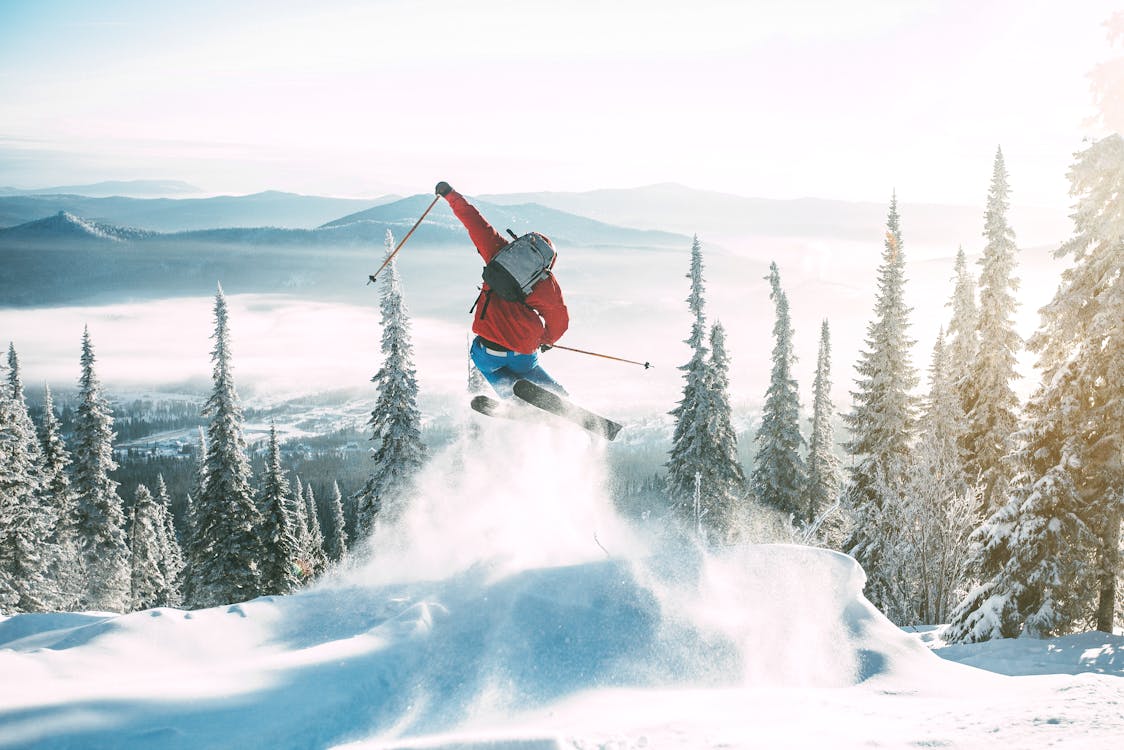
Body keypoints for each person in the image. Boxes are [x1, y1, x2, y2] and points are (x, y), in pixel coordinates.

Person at [436, 180, 569, 398]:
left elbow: (474, 221)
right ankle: (560, 397)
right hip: (524, 351)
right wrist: (547, 339)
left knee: (484, 361)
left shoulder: (498, 252)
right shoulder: (546, 283)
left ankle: (510, 399)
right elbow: (559, 320)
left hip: (490, 351)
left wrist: (450, 194)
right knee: (529, 369)